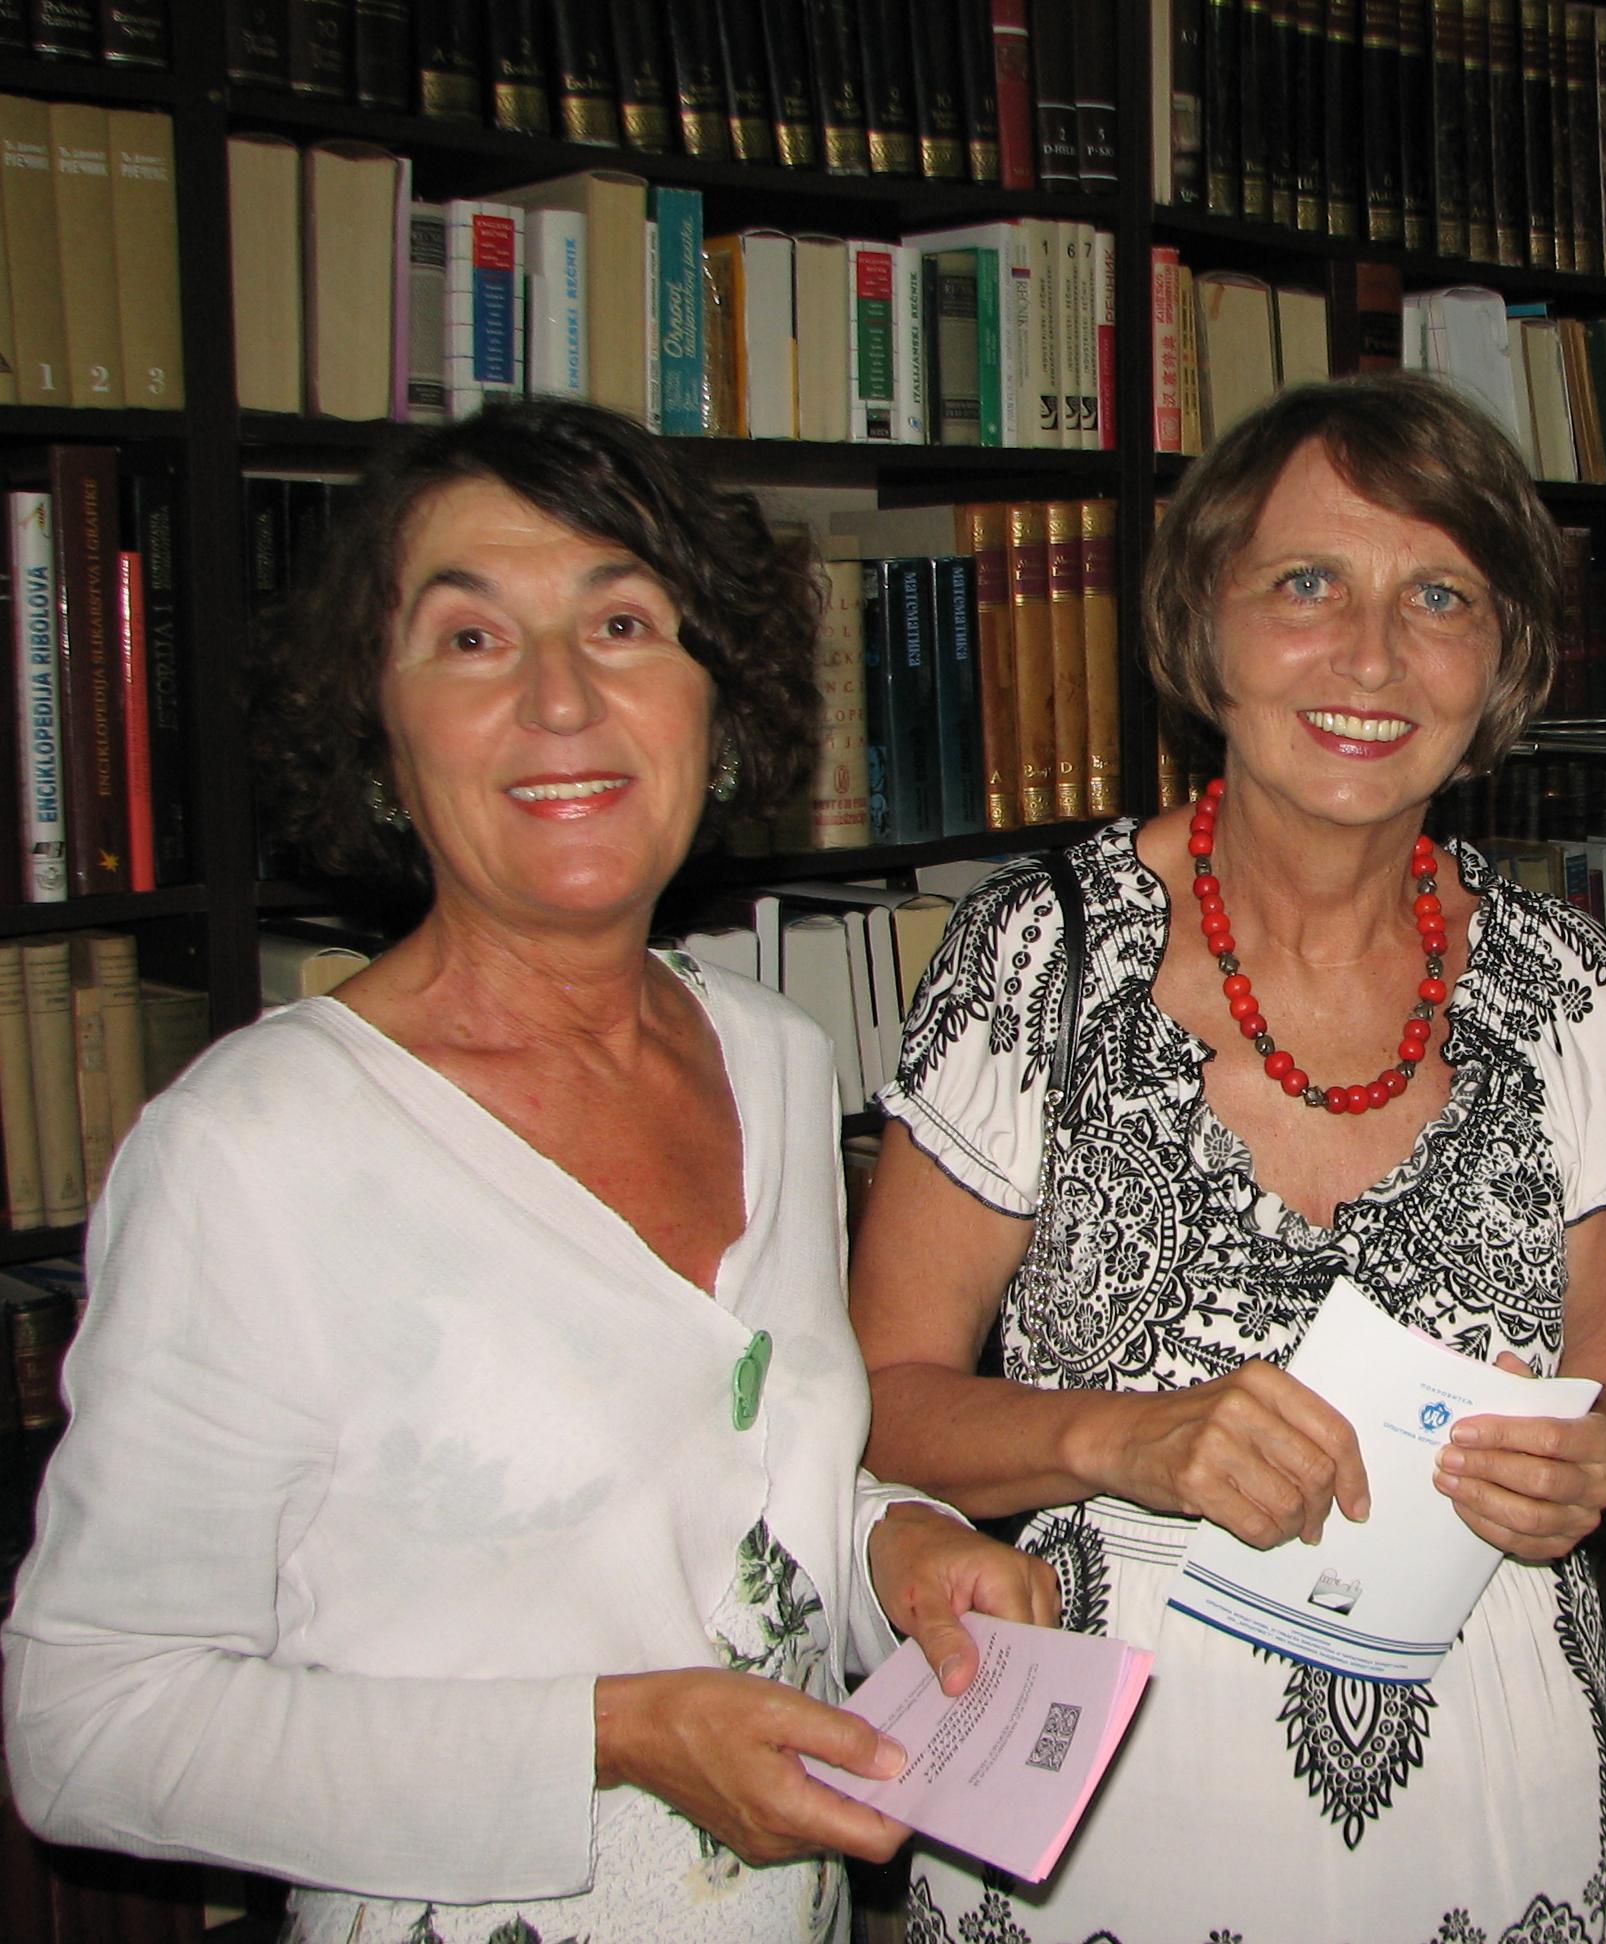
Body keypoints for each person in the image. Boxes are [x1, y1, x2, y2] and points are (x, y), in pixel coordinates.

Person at [1, 400, 1058, 1944]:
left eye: (621, 622)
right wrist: (614, 1737)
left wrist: (889, 1542)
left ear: (715, 704)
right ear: (380, 730)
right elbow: (88, 1730)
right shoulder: (256, 1153)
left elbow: (729, 1507)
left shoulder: (774, 1061)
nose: (561, 698)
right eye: (472, 639)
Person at [848, 372, 1606, 1942]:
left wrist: (1595, 1459)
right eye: (1307, 583)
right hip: (1101, 1808)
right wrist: (1126, 1440)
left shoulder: (1570, 991)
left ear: (1501, 657)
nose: (1372, 655)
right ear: (1201, 621)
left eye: (1440, 595)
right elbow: (880, 1401)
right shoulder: (1036, 962)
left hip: (1491, 1798)